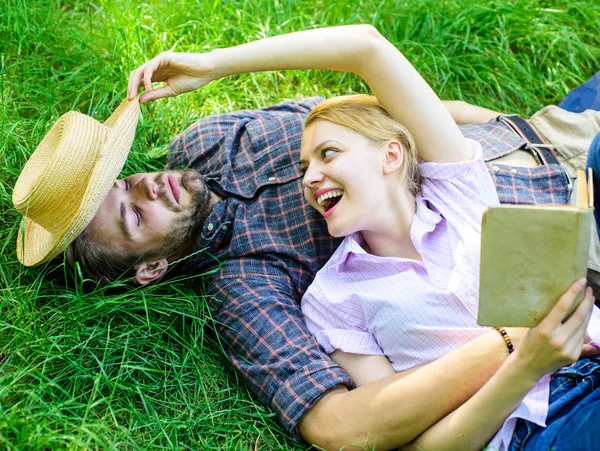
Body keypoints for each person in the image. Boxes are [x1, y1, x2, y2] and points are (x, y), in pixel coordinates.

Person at [11, 25, 600, 450]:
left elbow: (357, 107)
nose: (149, 188)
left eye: (124, 181)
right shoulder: (248, 288)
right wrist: (513, 346)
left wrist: (217, 63)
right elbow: (339, 425)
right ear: (150, 270)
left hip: (537, 136)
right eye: (134, 217)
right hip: (564, 259)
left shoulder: (207, 136)